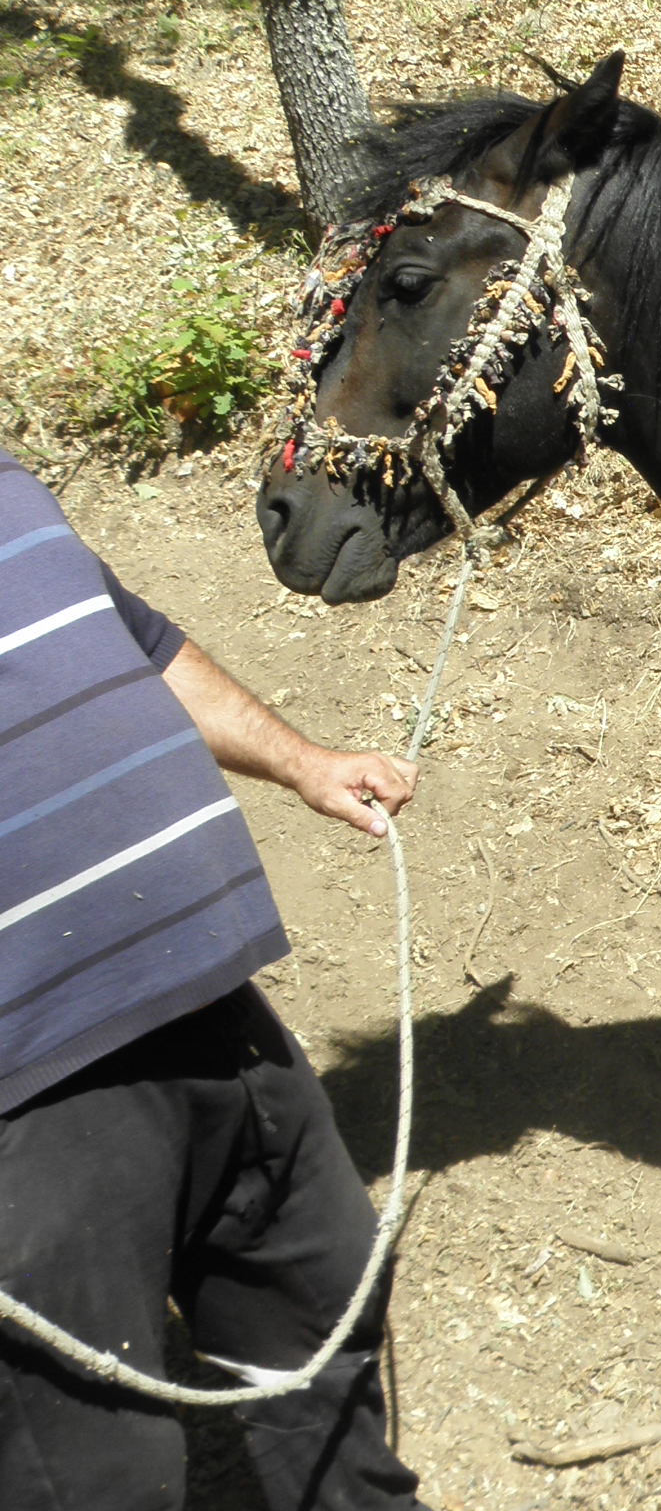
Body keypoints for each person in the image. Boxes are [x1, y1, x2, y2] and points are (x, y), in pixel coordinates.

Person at [0, 441, 430, 1509]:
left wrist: (304, 762)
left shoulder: (8, 485)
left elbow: (138, 643)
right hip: (32, 1098)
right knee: (101, 1479)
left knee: (322, 1346)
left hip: (219, 1014)